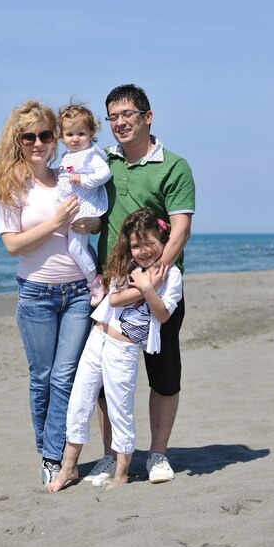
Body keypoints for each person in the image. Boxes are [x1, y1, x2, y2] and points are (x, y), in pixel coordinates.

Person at [85, 83, 195, 485]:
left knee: (163, 375)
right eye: (113, 116)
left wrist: (154, 278)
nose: (120, 123)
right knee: (103, 379)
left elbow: (180, 229)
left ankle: (158, 455)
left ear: (147, 117)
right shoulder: (103, 164)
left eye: (127, 114)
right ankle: (110, 455)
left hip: (158, 290)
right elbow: (99, 215)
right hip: (110, 290)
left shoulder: (174, 166)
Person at [0, 100, 93, 487]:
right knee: (43, 377)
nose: (38, 142)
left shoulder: (68, 175)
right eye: (28, 136)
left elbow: (90, 223)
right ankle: (47, 453)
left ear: (55, 139)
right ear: (18, 140)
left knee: (65, 376)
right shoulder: (11, 183)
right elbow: (13, 246)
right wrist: (55, 223)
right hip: (36, 294)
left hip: (78, 292)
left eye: (45, 135)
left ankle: (56, 456)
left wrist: (90, 220)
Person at [48, 208, 183, 492]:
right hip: (98, 338)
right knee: (80, 401)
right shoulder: (129, 268)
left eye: (149, 243)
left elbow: (162, 315)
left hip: (124, 349)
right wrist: (146, 285)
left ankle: (121, 474)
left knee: (120, 408)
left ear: (163, 240)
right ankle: (69, 467)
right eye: (136, 245)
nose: (143, 251)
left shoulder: (171, 276)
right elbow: (116, 300)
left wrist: (150, 288)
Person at [57, 103, 111, 306]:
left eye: (81, 133)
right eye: (69, 134)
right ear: (62, 137)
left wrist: (84, 180)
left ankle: (94, 282)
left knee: (75, 248)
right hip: (71, 206)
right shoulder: (67, 156)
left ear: (91, 133)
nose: (75, 139)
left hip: (84, 207)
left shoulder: (91, 154)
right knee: (79, 246)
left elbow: (105, 173)